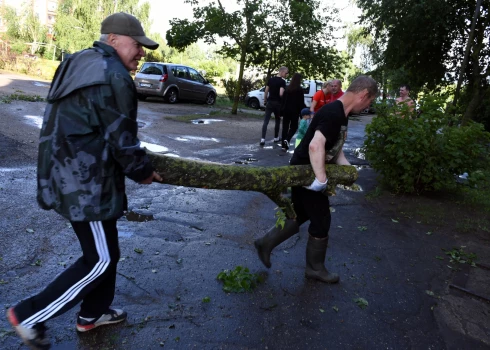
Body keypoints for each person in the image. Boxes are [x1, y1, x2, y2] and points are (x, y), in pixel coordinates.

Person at [6, 12, 162, 350]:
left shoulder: (80, 60)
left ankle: (93, 313)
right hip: (86, 183)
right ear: (113, 39)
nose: (141, 53)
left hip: (67, 172)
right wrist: (144, 171)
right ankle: (30, 315)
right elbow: (122, 139)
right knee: (100, 259)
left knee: (107, 250)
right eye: (137, 45)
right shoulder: (114, 75)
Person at [254, 75, 378, 283]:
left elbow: (333, 150)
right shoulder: (333, 113)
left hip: (306, 169)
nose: (368, 106)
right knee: (321, 219)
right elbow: (315, 145)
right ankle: (314, 268)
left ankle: (265, 243)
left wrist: (349, 171)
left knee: (301, 213)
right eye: (370, 101)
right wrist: (320, 180)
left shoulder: (341, 114)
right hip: (305, 172)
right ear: (364, 95)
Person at [260, 66, 288, 146]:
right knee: (277, 120)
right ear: (282, 72)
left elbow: (266, 91)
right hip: (277, 104)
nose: (286, 75)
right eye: (286, 73)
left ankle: (262, 139)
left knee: (266, 120)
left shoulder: (271, 80)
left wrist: (265, 100)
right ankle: (276, 137)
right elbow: (281, 93)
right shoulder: (282, 82)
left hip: (270, 102)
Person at [280, 72, 306, 150]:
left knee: (285, 127)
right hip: (295, 111)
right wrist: (302, 114)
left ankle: (283, 145)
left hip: (286, 111)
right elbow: (301, 103)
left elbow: (283, 101)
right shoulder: (300, 90)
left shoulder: (287, 89)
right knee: (294, 127)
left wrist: (281, 110)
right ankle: (287, 140)